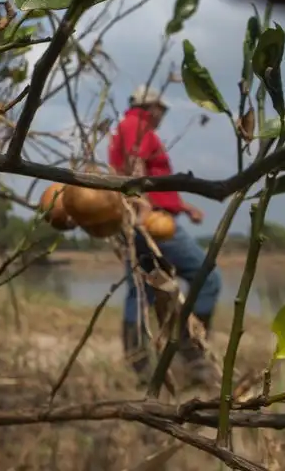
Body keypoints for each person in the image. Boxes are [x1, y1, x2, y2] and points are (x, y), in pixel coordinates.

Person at [108, 85, 221, 386]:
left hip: (137, 220)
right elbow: (135, 169)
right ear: (151, 107)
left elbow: (150, 179)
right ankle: (193, 355)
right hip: (152, 222)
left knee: (140, 292)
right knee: (207, 277)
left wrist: (183, 206)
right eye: (162, 109)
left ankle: (140, 365)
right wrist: (144, 208)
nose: (162, 116)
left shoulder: (128, 126)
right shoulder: (137, 125)